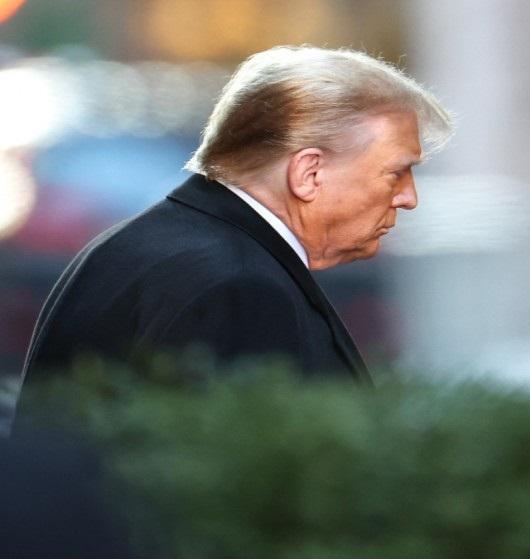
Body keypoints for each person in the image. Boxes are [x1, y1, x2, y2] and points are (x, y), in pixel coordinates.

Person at [16, 47, 453, 397]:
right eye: (397, 172)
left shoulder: (144, 245)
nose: (409, 198)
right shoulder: (240, 288)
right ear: (309, 173)